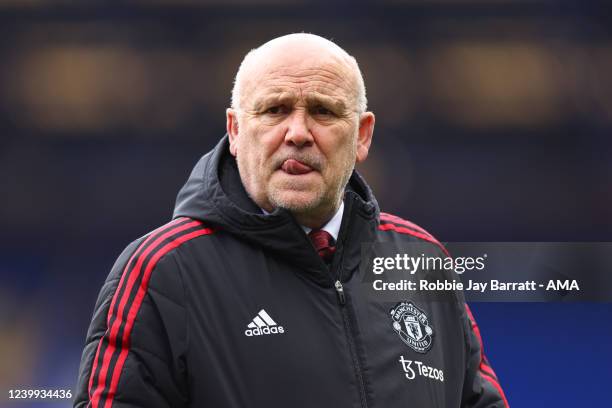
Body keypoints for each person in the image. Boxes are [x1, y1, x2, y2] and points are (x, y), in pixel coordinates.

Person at [74, 33, 508, 408]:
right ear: (237, 132)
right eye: (275, 110)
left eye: (323, 111)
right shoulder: (164, 270)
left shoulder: (422, 261)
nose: (298, 132)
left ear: (362, 135)